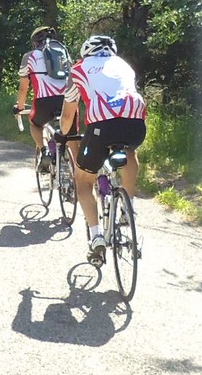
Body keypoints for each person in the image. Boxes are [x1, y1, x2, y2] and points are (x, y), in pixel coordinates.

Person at [60, 34, 147, 263]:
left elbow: (68, 115)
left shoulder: (79, 69)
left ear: (85, 52)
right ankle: (128, 208)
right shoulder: (124, 66)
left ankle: (96, 236)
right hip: (136, 124)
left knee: (83, 181)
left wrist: (63, 133)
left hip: (101, 127)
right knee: (129, 152)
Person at [13, 25, 73, 174]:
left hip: (43, 102)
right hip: (67, 101)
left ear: (35, 43)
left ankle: (45, 150)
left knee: (35, 123)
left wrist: (20, 107)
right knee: (72, 136)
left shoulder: (29, 57)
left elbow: (23, 88)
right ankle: (73, 168)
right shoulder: (64, 54)